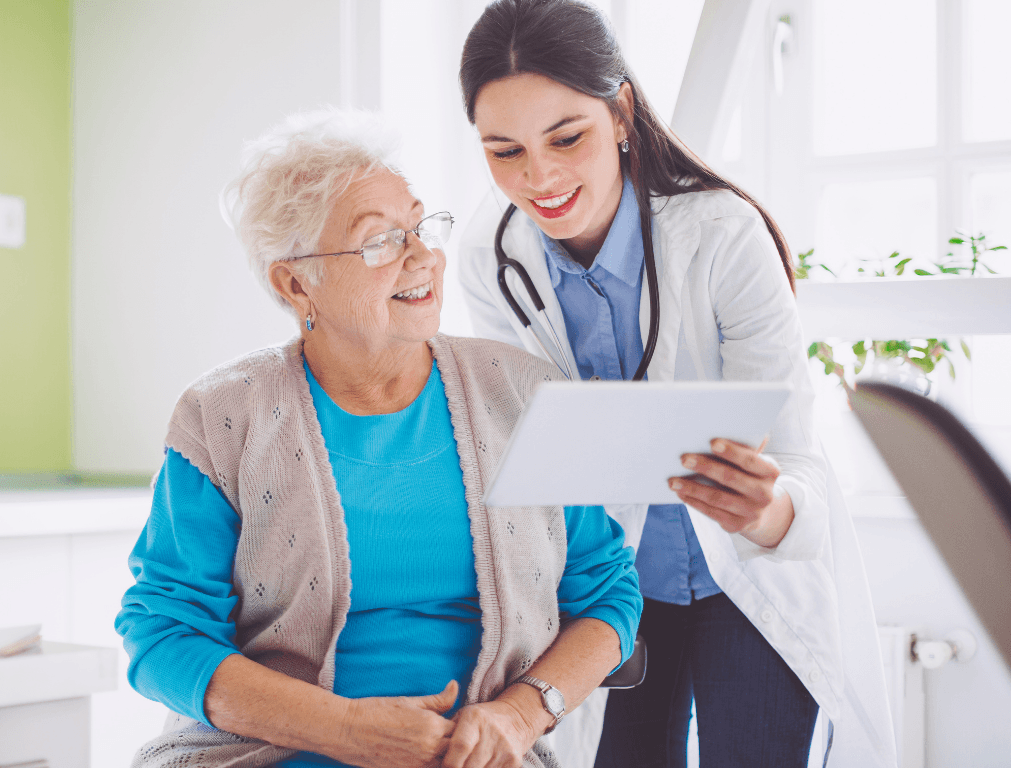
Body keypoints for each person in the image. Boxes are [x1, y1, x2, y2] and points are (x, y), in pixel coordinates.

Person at [115, 109, 642, 768]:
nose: (422, 255)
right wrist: (338, 729)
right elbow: (163, 633)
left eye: (420, 226)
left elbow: (607, 593)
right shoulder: (222, 417)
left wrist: (518, 713)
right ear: (295, 280)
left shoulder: (525, 393)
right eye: (381, 240)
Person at [455, 1, 897, 766]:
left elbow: (797, 462)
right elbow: (524, 440)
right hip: (606, 594)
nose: (541, 178)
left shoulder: (723, 236)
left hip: (747, 589)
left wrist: (767, 511)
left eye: (568, 138)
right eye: (505, 152)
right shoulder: (489, 250)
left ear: (621, 111)